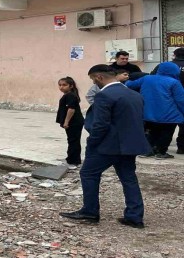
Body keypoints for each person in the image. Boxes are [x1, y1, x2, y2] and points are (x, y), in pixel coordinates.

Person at [60, 65, 150, 228]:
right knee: (129, 178)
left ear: (99, 77)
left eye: (93, 79)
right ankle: (135, 216)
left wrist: (92, 142)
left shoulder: (104, 95)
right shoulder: (134, 94)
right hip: (129, 145)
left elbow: (100, 124)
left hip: (107, 145)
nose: (94, 83)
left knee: (88, 173)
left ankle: (90, 211)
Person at [125, 62, 184, 159]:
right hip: (168, 114)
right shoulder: (174, 82)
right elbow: (181, 100)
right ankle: (161, 152)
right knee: (166, 133)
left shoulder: (147, 78)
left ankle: (147, 151)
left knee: (151, 132)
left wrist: (125, 80)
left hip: (148, 112)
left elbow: (130, 85)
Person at [151, 47, 184, 154]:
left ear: (174, 55)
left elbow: (153, 77)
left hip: (165, 98)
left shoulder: (164, 66)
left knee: (164, 124)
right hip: (181, 98)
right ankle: (181, 147)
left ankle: (157, 146)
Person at [56, 77, 85, 168]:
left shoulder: (70, 95)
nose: (61, 87)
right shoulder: (68, 95)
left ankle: (73, 162)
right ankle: (70, 158)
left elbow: (71, 109)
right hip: (73, 122)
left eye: (64, 85)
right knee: (72, 140)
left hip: (74, 122)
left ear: (71, 86)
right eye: (60, 85)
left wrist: (66, 122)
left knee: (73, 141)